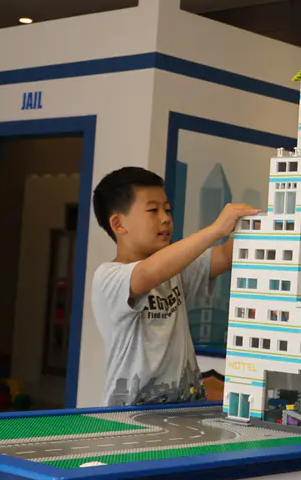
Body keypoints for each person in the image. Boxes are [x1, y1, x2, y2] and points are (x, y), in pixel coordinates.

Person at [90, 166, 258, 407]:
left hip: (185, 410)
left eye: (167, 209)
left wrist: (268, 222)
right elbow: (147, 273)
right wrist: (215, 229)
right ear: (118, 224)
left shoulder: (176, 270)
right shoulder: (109, 277)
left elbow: (225, 254)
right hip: (129, 416)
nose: (165, 218)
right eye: (153, 210)